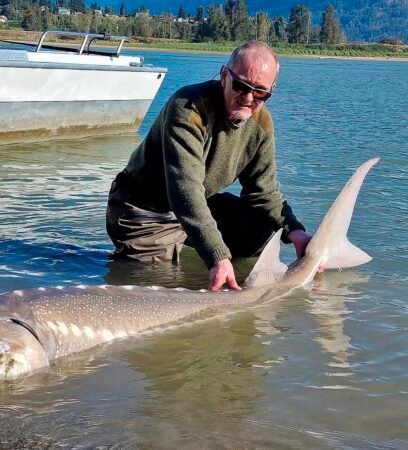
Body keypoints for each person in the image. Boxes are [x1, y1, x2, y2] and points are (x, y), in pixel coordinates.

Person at [106, 41, 312, 292]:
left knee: (264, 229)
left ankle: (216, 261)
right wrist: (217, 256)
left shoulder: (261, 125)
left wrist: (296, 232)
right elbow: (185, 189)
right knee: (157, 286)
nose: (248, 98)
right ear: (224, 75)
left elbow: (264, 191)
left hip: (200, 202)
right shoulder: (188, 108)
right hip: (145, 209)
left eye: (260, 92)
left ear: (270, 91)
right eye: (241, 85)